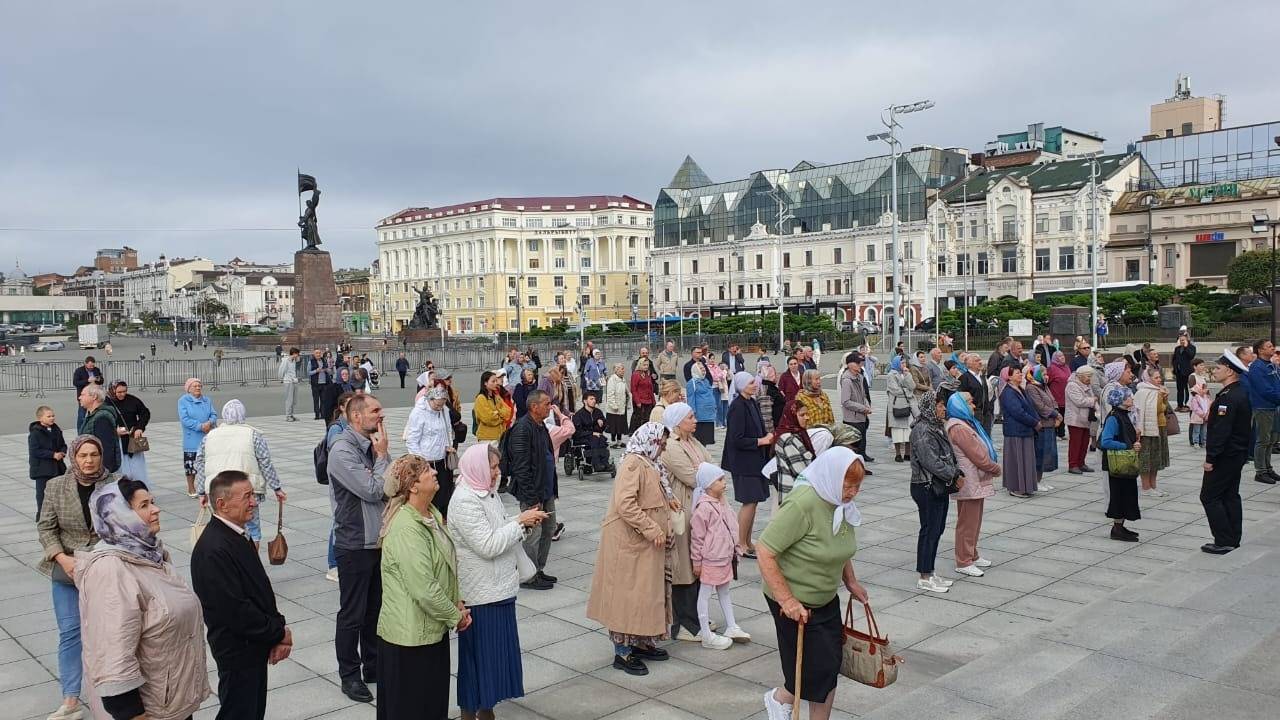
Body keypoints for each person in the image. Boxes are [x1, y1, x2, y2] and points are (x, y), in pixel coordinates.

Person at [77, 478, 210, 720]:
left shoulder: (149, 553)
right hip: (146, 711)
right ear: (119, 516)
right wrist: (130, 712)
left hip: (170, 702)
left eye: (153, 502)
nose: (156, 509)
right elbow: (112, 649)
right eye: (144, 505)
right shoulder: (111, 569)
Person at [758, 447, 868, 719]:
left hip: (825, 596)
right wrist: (787, 600)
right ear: (832, 477)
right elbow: (764, 550)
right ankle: (778, 699)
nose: (853, 492)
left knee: (829, 668)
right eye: (848, 485)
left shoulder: (840, 503)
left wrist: (851, 581)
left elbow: (839, 547)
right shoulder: (803, 503)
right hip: (793, 600)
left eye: (857, 486)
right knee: (810, 671)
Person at [450, 445, 547, 719]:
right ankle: (472, 712)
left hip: (498, 588)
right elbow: (488, 544)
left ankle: (486, 709)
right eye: (492, 467)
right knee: (478, 660)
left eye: (497, 466)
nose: (497, 472)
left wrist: (524, 524)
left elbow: (501, 529)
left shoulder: (487, 494)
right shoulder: (465, 500)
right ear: (478, 468)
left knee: (494, 660)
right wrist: (519, 523)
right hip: (481, 595)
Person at [191, 470, 291, 720]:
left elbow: (259, 591)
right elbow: (236, 610)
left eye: (253, 495)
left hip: (253, 646)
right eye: (247, 496)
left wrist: (276, 629)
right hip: (238, 651)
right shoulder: (213, 549)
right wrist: (278, 631)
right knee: (239, 711)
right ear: (222, 504)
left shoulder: (235, 535)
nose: (254, 502)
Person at [376, 454, 469, 720]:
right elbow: (423, 588)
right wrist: (455, 617)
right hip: (408, 640)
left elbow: (444, 568)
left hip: (430, 632)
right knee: (413, 709)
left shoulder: (431, 514)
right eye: (428, 470)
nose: (435, 472)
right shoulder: (407, 527)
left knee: (432, 705)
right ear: (413, 485)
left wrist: (457, 600)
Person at [586, 422, 677, 677]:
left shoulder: (649, 462)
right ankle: (622, 651)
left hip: (643, 545)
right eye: (662, 443)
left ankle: (640, 642)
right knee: (626, 597)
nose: (664, 448)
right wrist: (651, 528)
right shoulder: (633, 463)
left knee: (644, 595)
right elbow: (625, 504)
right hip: (629, 544)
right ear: (651, 441)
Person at [36, 435, 116, 720]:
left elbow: (126, 526)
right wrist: (62, 558)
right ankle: (71, 700)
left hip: (104, 568)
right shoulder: (56, 487)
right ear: (73, 456)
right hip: (67, 570)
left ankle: (112, 696)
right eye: (83, 455)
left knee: (110, 634)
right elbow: (46, 528)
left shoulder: (115, 485)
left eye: (94, 454)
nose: (89, 460)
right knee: (70, 632)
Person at [327, 394, 391, 703]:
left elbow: (392, 485)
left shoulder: (370, 446)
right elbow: (373, 489)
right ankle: (349, 675)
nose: (382, 415)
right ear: (356, 417)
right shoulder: (342, 450)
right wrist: (381, 458)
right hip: (354, 544)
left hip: (376, 541)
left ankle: (374, 666)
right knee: (352, 613)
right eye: (375, 411)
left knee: (375, 608)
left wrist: (381, 456)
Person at [195, 400, 285, 546]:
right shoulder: (253, 435)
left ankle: (228, 561)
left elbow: (199, 463)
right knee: (252, 529)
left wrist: (201, 491)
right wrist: (277, 488)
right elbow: (265, 463)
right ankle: (250, 563)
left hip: (217, 489)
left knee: (223, 528)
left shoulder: (209, 436)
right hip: (247, 490)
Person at [659, 402, 709, 643]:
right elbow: (692, 476)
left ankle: (697, 615)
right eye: (691, 417)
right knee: (683, 567)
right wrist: (702, 470)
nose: (695, 420)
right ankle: (685, 622)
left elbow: (711, 469)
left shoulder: (693, 441)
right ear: (678, 422)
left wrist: (703, 470)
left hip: (698, 508)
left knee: (697, 561)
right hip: (681, 510)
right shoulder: (671, 445)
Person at [690, 462, 749, 650]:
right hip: (711, 559)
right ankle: (706, 634)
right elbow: (697, 538)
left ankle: (732, 626)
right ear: (708, 484)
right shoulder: (703, 508)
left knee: (724, 591)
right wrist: (697, 561)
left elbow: (731, 526)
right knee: (705, 594)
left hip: (725, 556)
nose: (724, 483)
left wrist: (736, 548)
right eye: (720, 479)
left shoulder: (722, 503)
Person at [506, 390, 560, 590]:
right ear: (534, 406)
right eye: (546, 403)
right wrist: (531, 498)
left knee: (549, 529)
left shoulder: (541, 426)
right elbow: (521, 466)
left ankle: (539, 569)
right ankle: (528, 574)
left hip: (546, 490)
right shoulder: (522, 428)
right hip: (533, 492)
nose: (549, 406)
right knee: (533, 534)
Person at [909, 389, 960, 593]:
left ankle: (930, 570)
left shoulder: (936, 426)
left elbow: (947, 455)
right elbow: (931, 462)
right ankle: (924, 575)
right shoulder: (922, 430)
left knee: (937, 529)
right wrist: (954, 475)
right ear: (930, 407)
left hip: (939, 485)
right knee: (929, 530)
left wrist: (955, 471)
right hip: (926, 485)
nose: (943, 409)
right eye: (939, 405)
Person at [1201, 349, 1252, 553]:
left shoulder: (1228, 398)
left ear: (1230, 371)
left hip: (1226, 456)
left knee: (1210, 496)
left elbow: (1221, 431)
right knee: (1230, 495)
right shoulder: (1236, 392)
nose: (1215, 371)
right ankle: (1233, 537)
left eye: (1219, 368)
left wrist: (1211, 458)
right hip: (1236, 454)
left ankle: (1223, 540)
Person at [945, 391, 1000, 577]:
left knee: (974, 520)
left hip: (975, 478)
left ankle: (972, 554)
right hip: (969, 479)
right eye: (969, 402)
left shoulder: (965, 422)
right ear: (959, 405)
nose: (973, 406)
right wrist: (994, 468)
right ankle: (964, 560)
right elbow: (977, 455)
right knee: (967, 522)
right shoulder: (958, 427)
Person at [722, 372, 772, 557]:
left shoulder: (751, 401)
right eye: (751, 383)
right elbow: (736, 439)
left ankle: (748, 541)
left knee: (754, 502)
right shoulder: (737, 407)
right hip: (743, 462)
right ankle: (740, 544)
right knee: (749, 502)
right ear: (742, 385)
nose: (755, 385)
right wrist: (761, 441)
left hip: (755, 460)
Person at [405, 386, 457, 517]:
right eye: (437, 405)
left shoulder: (444, 410)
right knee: (429, 492)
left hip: (442, 459)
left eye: (442, 404)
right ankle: (428, 515)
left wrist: (448, 444)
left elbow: (448, 429)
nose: (439, 407)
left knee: (444, 490)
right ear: (430, 399)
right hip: (426, 461)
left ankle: (443, 516)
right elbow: (412, 440)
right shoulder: (418, 413)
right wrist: (420, 461)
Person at [1100, 388, 1142, 542]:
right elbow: (1105, 441)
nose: (1131, 399)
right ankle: (1117, 529)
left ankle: (1120, 526)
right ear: (1120, 401)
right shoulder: (1114, 417)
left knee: (1127, 495)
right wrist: (1127, 445)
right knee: (1119, 496)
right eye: (1128, 397)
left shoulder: (1123, 415)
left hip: (1125, 463)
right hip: (1117, 465)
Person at [1000, 366, 1041, 498]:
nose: (1020, 375)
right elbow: (1018, 412)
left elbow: (1029, 407)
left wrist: (1035, 420)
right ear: (1009, 376)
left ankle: (1026, 486)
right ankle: (1016, 487)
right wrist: (1034, 422)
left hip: (1024, 429)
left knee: (1026, 459)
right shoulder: (1008, 393)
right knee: (1017, 460)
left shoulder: (1020, 389)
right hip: (1015, 431)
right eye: (1017, 373)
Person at [102, 380, 149, 485]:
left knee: (138, 467)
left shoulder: (132, 400)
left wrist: (139, 428)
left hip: (133, 438)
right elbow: (103, 421)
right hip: (117, 440)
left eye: (124, 391)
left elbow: (145, 413)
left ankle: (140, 489)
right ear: (112, 390)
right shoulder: (106, 402)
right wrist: (114, 431)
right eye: (119, 392)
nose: (122, 394)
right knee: (122, 467)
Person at [1246, 339, 1280, 484]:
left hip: (1274, 406)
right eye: (1269, 346)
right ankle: (1260, 471)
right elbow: (1264, 389)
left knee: (1272, 439)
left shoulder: (1271, 365)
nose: (1273, 348)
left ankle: (1268, 468)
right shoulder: (1257, 367)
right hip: (1263, 407)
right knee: (1263, 440)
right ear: (1260, 350)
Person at [1134, 366, 1171, 497]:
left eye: (1159, 377)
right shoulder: (1143, 392)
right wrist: (1162, 398)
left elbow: (1165, 409)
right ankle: (1145, 486)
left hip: (1159, 427)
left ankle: (1153, 486)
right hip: (1147, 430)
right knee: (1146, 458)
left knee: (1157, 459)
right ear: (1148, 378)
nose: (1159, 380)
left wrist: (1164, 397)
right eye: (1156, 377)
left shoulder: (1158, 391)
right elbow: (1142, 412)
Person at [1024, 366, 1061, 490]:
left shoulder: (1043, 386)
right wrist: (1056, 414)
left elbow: (1053, 401)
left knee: (1047, 455)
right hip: (1042, 425)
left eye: (1046, 373)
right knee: (1039, 454)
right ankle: (1035, 481)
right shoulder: (1031, 388)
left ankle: (1039, 480)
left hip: (1049, 424)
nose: (1046, 376)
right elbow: (1040, 406)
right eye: (1043, 373)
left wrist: (1056, 414)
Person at [29, 405, 67, 517]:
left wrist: (62, 452)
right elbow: (35, 451)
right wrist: (52, 455)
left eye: (53, 415)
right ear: (40, 418)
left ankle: (59, 515)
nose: (52, 418)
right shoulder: (35, 433)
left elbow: (62, 444)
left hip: (57, 467)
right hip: (42, 469)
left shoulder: (56, 429)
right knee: (42, 493)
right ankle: (42, 515)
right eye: (49, 416)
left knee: (59, 492)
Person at [774, 401, 817, 494]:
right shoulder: (789, 439)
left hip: (799, 491)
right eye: (802, 415)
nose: (807, 418)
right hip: (795, 492)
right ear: (792, 416)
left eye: (807, 414)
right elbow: (800, 472)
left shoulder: (799, 432)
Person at [79, 384, 122, 475]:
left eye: (83, 394)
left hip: (99, 472)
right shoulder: (94, 415)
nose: (79, 397)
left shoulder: (101, 418)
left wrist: (103, 473)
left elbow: (106, 448)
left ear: (94, 397)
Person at [840, 352, 873, 464]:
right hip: (852, 419)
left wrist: (867, 406)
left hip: (861, 416)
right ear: (850, 364)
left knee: (862, 441)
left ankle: (862, 463)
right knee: (854, 445)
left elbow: (863, 395)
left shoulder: (859, 377)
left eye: (861, 362)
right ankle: (855, 467)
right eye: (858, 363)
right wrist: (863, 408)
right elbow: (845, 401)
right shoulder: (846, 380)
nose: (860, 365)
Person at [1066, 365, 1098, 474]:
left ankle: (1081, 463)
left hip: (1085, 419)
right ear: (1080, 376)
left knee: (1084, 442)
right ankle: (1073, 465)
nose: (1090, 379)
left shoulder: (1086, 385)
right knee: (1076, 443)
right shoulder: (1072, 385)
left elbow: (1093, 400)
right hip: (1075, 419)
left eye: (1091, 376)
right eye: (1088, 376)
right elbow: (1079, 401)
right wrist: (1092, 400)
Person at [572, 392, 614, 472]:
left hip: (597, 436)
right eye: (591, 399)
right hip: (583, 437)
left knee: (602, 439)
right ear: (585, 401)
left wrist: (601, 422)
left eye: (594, 399)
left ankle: (605, 463)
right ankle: (596, 464)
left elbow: (605, 425)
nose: (594, 401)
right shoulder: (579, 415)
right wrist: (591, 433)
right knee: (595, 439)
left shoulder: (598, 412)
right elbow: (577, 432)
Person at [887, 355, 917, 462]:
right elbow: (895, 390)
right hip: (897, 404)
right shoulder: (891, 374)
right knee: (897, 431)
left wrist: (907, 375)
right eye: (901, 363)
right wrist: (907, 391)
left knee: (909, 430)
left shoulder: (906, 373)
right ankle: (898, 453)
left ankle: (907, 453)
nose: (904, 365)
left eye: (905, 363)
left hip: (908, 405)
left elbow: (913, 386)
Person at [474, 370, 513, 445]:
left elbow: (508, 411)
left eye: (496, 381)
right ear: (485, 383)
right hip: (487, 438)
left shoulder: (496, 397)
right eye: (493, 381)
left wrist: (497, 413)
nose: (496, 383)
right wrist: (501, 415)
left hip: (500, 435)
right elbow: (488, 418)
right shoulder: (481, 398)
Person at [685, 361, 718, 445]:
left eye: (704, 368)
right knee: (698, 441)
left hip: (709, 415)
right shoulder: (691, 383)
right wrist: (692, 414)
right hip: (699, 416)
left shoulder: (706, 380)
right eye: (701, 369)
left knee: (706, 441)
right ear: (696, 370)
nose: (703, 370)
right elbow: (691, 399)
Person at [72, 356, 104, 429]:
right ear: (85, 364)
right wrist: (87, 380)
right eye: (89, 366)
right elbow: (75, 382)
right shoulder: (79, 371)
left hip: (95, 396)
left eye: (93, 365)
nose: (91, 367)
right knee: (81, 415)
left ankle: (92, 428)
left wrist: (98, 379)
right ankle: (80, 432)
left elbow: (101, 380)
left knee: (95, 414)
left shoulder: (96, 370)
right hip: (84, 395)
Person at [628, 357, 657, 435]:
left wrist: (653, 401)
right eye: (644, 365)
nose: (646, 366)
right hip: (640, 400)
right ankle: (637, 434)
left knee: (647, 419)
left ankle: (645, 433)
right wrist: (637, 401)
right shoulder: (636, 374)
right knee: (638, 419)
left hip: (648, 400)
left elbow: (650, 389)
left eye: (647, 365)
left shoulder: (648, 374)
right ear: (640, 365)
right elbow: (633, 389)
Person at [604, 363, 629, 447]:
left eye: (623, 369)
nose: (623, 370)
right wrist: (613, 405)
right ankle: (613, 441)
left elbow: (627, 392)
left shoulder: (623, 379)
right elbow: (610, 394)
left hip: (622, 406)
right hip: (614, 408)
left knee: (620, 425)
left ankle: (619, 441)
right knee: (613, 426)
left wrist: (628, 402)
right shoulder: (612, 379)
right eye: (621, 369)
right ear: (616, 370)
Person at [1047, 351, 1071, 439]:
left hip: (1065, 396)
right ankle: (1055, 433)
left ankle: (1061, 433)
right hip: (1056, 396)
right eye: (1059, 356)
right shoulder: (1051, 368)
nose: (1062, 357)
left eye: (1063, 355)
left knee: (1063, 414)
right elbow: (1047, 382)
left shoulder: (1066, 367)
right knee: (1056, 415)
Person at [758, 364, 786, 435]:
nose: (776, 376)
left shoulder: (771, 387)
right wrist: (771, 434)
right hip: (773, 430)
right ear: (771, 375)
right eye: (775, 373)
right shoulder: (766, 390)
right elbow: (766, 416)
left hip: (778, 426)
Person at [308, 348, 331, 420]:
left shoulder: (324, 361)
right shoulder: (311, 362)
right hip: (315, 384)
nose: (318, 354)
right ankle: (317, 414)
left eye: (319, 353)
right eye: (316, 353)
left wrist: (327, 370)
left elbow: (330, 371)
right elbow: (308, 373)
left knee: (324, 400)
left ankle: (323, 414)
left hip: (324, 383)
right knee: (316, 400)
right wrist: (316, 371)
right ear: (314, 354)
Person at [1189, 371, 1210, 448]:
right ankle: (1196, 442)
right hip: (1197, 417)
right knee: (1196, 430)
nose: (1206, 390)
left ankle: (1203, 442)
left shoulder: (1206, 398)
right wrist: (1202, 414)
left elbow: (1209, 406)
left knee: (1204, 431)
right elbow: (1196, 408)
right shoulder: (1195, 398)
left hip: (1205, 417)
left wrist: (1207, 414)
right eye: (1204, 389)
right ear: (1199, 390)